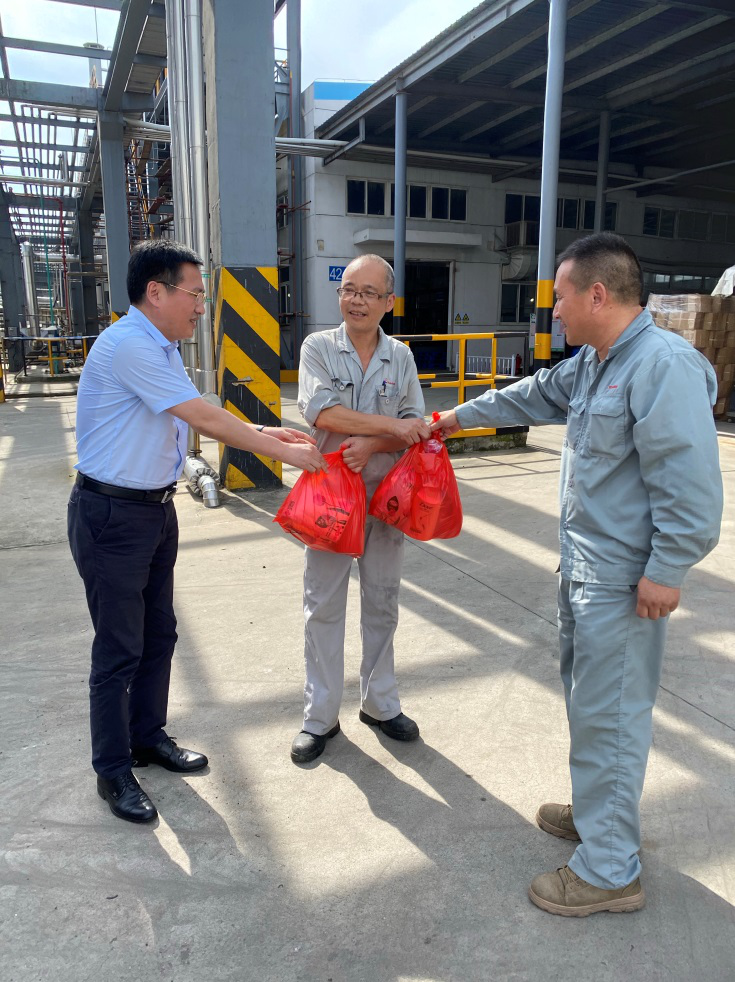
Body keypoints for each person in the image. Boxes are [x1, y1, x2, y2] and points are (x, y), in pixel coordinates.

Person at [432, 232, 723, 916]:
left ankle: (609, 870)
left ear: (597, 294)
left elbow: (690, 487)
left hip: (624, 582)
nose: (554, 311)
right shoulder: (595, 363)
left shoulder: (661, 367)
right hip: (587, 571)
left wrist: (667, 569)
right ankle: (601, 817)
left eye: (560, 298)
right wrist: (445, 420)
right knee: (593, 711)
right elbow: (528, 396)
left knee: (610, 717)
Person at [68, 239, 326, 824]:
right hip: (112, 516)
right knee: (118, 648)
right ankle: (112, 770)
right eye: (195, 293)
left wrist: (269, 432)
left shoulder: (162, 348)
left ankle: (146, 737)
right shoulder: (131, 344)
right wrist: (281, 452)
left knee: (159, 633)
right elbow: (202, 416)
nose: (201, 306)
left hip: (153, 511)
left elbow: (192, 410)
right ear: (155, 292)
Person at [291, 254, 431, 763]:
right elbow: (323, 412)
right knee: (323, 604)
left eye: (369, 293)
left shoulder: (401, 357)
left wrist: (374, 443)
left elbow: (416, 426)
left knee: (383, 601)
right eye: (349, 289)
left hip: (384, 499)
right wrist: (391, 428)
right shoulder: (318, 348)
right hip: (330, 497)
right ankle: (320, 717)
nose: (356, 300)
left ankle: (380, 703)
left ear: (389, 302)